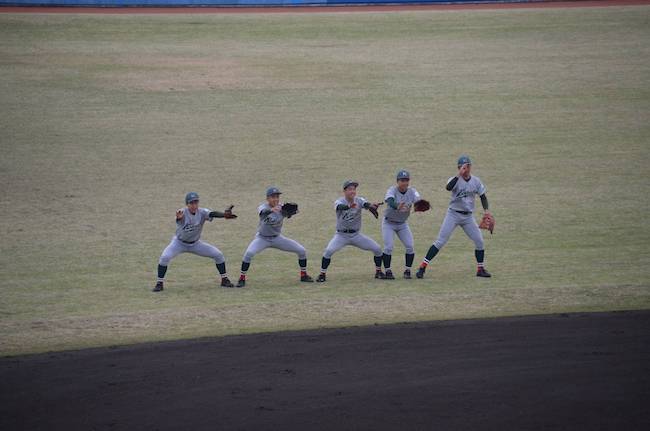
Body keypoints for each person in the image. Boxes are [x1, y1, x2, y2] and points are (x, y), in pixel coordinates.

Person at [416, 155, 492, 279]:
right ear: (458, 168)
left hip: (468, 217)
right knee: (440, 241)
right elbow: (448, 188)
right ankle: (422, 267)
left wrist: (486, 211)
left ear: (470, 167)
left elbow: (483, 196)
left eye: (467, 166)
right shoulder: (454, 179)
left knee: (479, 241)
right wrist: (458, 174)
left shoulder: (476, 181)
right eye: (462, 167)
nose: (465, 169)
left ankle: (480, 269)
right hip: (453, 214)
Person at [154, 192, 237, 292]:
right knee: (164, 257)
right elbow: (179, 218)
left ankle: (224, 279)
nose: (194, 205)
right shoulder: (182, 212)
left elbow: (212, 214)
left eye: (196, 202)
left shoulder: (201, 212)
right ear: (187, 204)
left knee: (218, 254)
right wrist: (179, 218)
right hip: (179, 243)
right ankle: (159, 283)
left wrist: (223, 215)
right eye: (191, 203)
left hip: (195, 244)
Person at [236, 187, 313, 287]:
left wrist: (290, 213)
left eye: (277, 197)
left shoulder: (281, 208)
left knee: (301, 250)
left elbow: (293, 212)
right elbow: (263, 212)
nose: (276, 199)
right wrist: (271, 210)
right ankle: (242, 278)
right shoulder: (263, 207)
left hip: (277, 238)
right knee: (249, 253)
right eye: (273, 197)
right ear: (267, 198)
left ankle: (304, 275)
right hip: (262, 238)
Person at [316, 180, 384, 283]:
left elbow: (366, 204)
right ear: (344, 191)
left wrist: (371, 206)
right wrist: (348, 206)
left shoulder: (359, 200)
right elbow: (339, 207)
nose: (353, 191)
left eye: (354, 189)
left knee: (377, 249)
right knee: (328, 251)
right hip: (341, 235)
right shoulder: (339, 201)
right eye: (350, 189)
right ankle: (322, 274)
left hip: (356, 235)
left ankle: (378, 271)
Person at [381, 170, 425, 279]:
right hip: (389, 223)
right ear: (397, 181)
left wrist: (421, 206)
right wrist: (396, 206)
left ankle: (407, 270)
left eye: (406, 180)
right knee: (388, 247)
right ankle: (388, 271)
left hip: (402, 224)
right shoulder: (392, 190)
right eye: (402, 180)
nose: (404, 183)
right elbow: (390, 201)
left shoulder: (412, 191)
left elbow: (419, 201)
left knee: (410, 246)